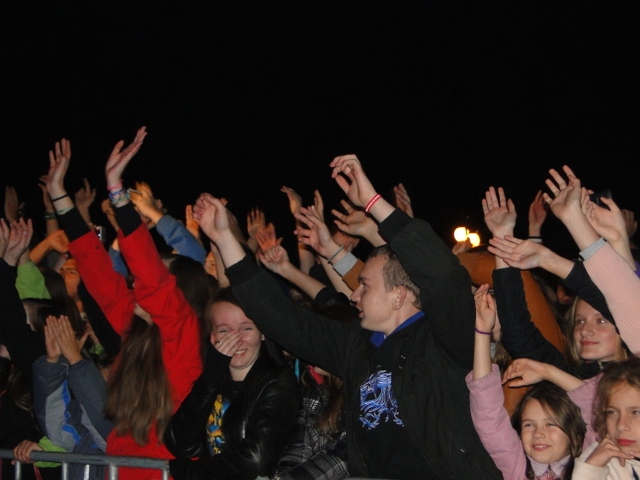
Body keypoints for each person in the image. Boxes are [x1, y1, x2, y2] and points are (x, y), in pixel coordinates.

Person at [192, 154, 502, 479]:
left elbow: (443, 275)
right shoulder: (354, 344)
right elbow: (281, 318)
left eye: (365, 285)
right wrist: (224, 239)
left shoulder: (444, 338)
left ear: (399, 294)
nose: (354, 293)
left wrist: (373, 202)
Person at [45, 129, 202, 480]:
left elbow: (151, 277)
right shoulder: (136, 330)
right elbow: (97, 271)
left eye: (156, 276)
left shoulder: (183, 341)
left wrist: (118, 192)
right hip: (118, 470)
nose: (137, 280)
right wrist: (59, 195)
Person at [164, 287, 300, 480]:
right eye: (224, 330)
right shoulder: (213, 380)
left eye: (246, 328)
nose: (236, 340)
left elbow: (256, 460)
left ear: (262, 333)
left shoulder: (278, 383)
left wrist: (192, 472)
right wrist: (211, 377)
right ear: (213, 337)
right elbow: (179, 443)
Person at [468, 284, 586, 479]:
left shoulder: (591, 463)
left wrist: (547, 371)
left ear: (574, 432)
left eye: (550, 424)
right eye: (529, 425)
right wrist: (482, 331)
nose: (538, 434)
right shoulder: (517, 468)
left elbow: (595, 404)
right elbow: (488, 417)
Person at [572, 356, 640, 479]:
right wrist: (592, 467)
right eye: (612, 412)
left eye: (636, 412)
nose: (621, 425)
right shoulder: (599, 457)